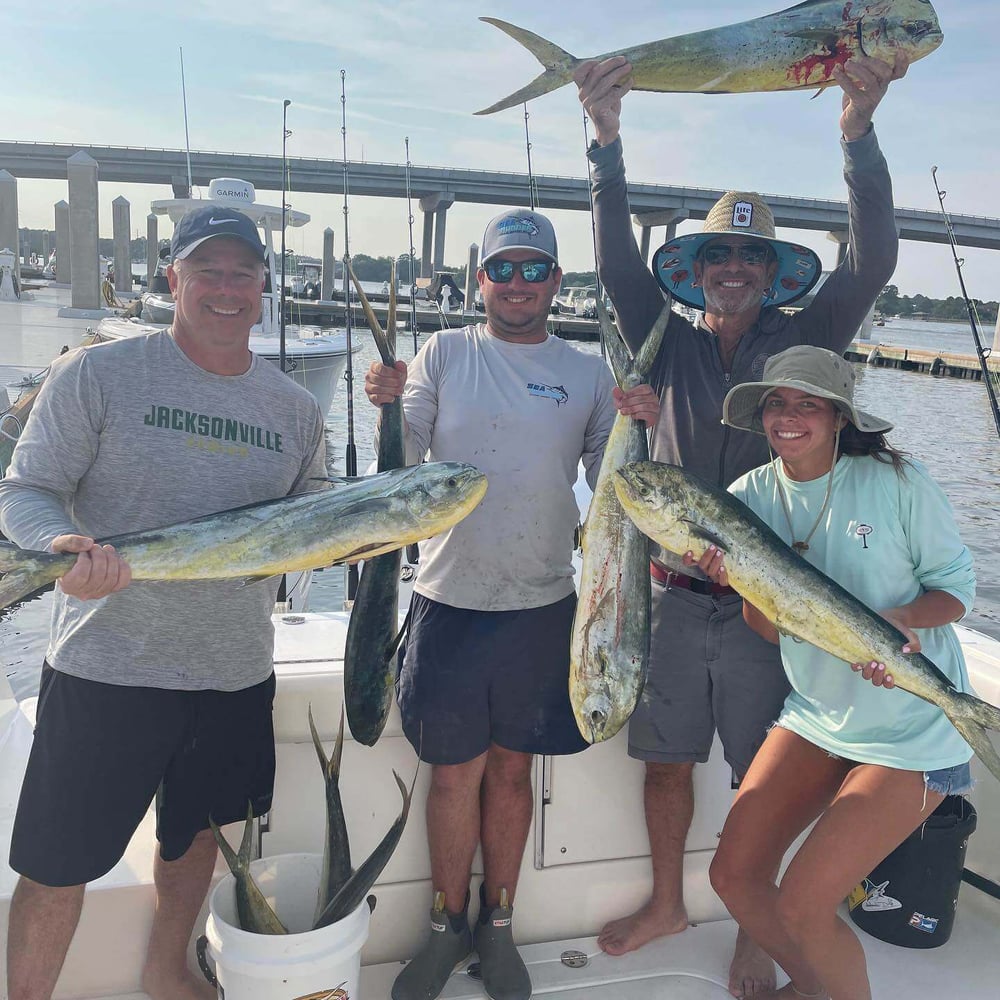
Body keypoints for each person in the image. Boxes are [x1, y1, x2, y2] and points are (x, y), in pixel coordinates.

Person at [574, 49, 908, 995]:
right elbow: (608, 259)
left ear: (772, 271)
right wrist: (607, 144)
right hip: (671, 595)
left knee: (778, 773)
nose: (732, 268)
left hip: (773, 599)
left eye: (750, 256)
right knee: (666, 761)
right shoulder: (662, 337)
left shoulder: (808, 343)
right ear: (693, 270)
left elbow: (874, 259)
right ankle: (668, 900)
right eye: (717, 254)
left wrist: (858, 136)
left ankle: (757, 929)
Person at [1, 205, 327, 1000]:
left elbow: (315, 519)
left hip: (233, 672)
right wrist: (58, 549)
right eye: (206, 270)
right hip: (106, 666)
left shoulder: (294, 408)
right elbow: (29, 489)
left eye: (242, 272)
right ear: (173, 277)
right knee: (56, 862)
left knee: (198, 843)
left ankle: (164, 971)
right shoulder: (96, 373)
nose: (225, 287)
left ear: (263, 285)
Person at [364, 208, 658, 1000]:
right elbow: (411, 456)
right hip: (447, 599)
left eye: (536, 270)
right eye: (505, 269)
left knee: (510, 774)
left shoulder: (591, 373)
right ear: (481, 279)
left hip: (542, 604)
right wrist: (385, 400)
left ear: (558, 282)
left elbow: (611, 489)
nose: (520, 284)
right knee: (452, 778)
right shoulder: (444, 351)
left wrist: (644, 431)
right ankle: (442, 923)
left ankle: (498, 922)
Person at [688, 344, 975, 1000]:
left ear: (840, 417)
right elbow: (768, 630)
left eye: (807, 404)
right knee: (733, 877)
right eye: (777, 405)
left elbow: (958, 590)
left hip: (912, 721)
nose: (789, 417)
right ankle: (822, 990)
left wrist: (903, 620)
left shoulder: (897, 483)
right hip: (820, 712)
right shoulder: (746, 498)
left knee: (802, 907)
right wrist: (741, 585)